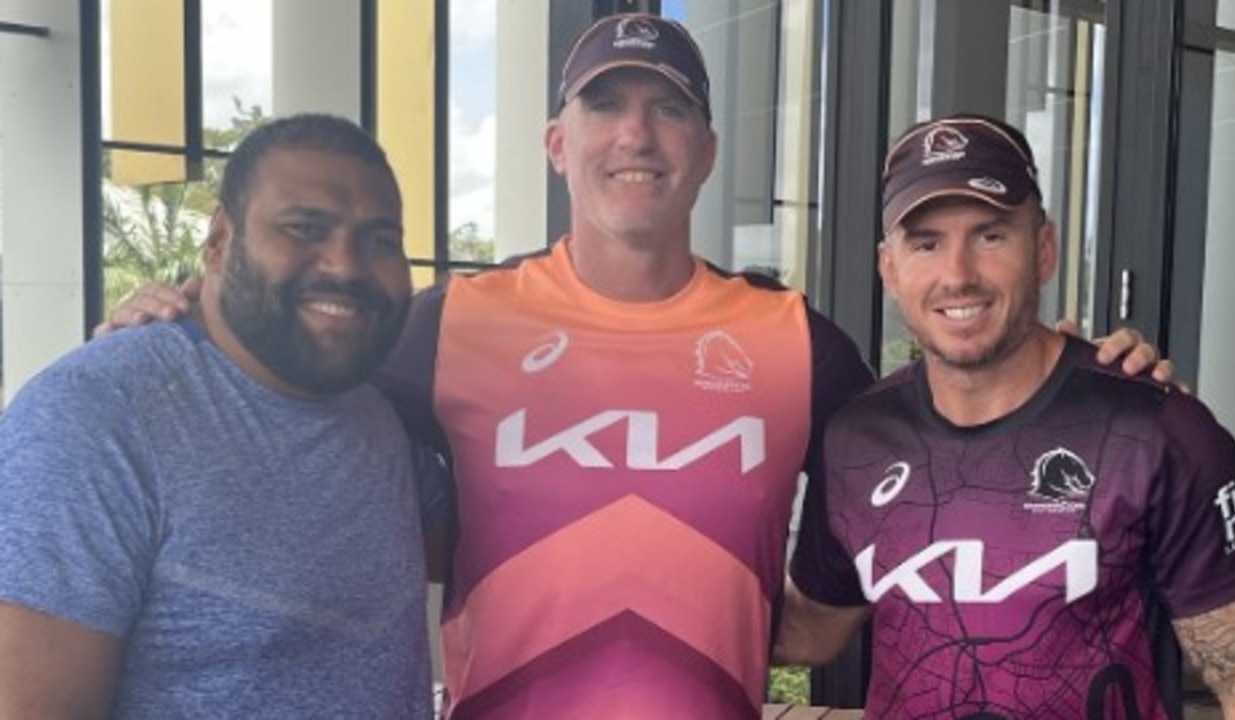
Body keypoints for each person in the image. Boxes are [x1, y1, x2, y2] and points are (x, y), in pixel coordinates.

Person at [96, 16, 1170, 720]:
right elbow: (293, 373)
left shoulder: (794, 341)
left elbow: (953, 428)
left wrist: (1087, 379)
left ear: (703, 147)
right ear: (557, 143)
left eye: (667, 108)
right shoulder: (450, 321)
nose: (636, 134)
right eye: (605, 104)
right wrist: (183, 318)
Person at [777, 113, 1235, 718]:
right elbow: (808, 631)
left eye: (990, 235)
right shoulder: (858, 440)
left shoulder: (1153, 431)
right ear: (890, 268)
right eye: (927, 243)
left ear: (1043, 249)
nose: (958, 275)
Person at [0, 114, 437, 718]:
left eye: (380, 240)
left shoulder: (378, 415)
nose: (347, 264)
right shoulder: (93, 420)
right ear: (219, 241)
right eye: (305, 228)